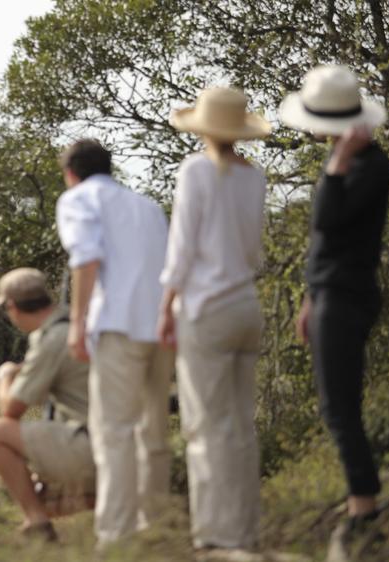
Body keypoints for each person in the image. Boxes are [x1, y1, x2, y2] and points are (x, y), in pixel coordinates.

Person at [279, 65, 389, 545]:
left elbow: (326, 220)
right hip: (330, 294)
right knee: (336, 404)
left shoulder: (370, 166)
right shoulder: (349, 163)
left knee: (339, 407)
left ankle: (364, 512)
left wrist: (336, 163)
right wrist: (310, 297)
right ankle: (359, 505)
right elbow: (326, 245)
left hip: (347, 297)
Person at [157, 87, 271, 553]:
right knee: (241, 426)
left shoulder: (197, 170)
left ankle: (213, 537)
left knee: (205, 427)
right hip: (246, 305)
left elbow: (181, 248)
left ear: (203, 127)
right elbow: (251, 254)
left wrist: (165, 307)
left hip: (206, 309)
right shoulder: (256, 177)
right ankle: (244, 532)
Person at [55, 139, 173, 547]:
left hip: (117, 328)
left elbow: (86, 260)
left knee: (114, 433)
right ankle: (154, 528)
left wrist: (77, 324)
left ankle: (116, 537)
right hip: (161, 327)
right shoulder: (147, 205)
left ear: (71, 174)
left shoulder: (77, 200)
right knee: (154, 433)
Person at [0, 267, 94, 542]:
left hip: (91, 444)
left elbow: (11, 409)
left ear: (12, 306)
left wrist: (6, 375)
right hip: (120, 442)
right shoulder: (74, 322)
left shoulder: (51, 339)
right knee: (38, 493)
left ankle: (37, 522)